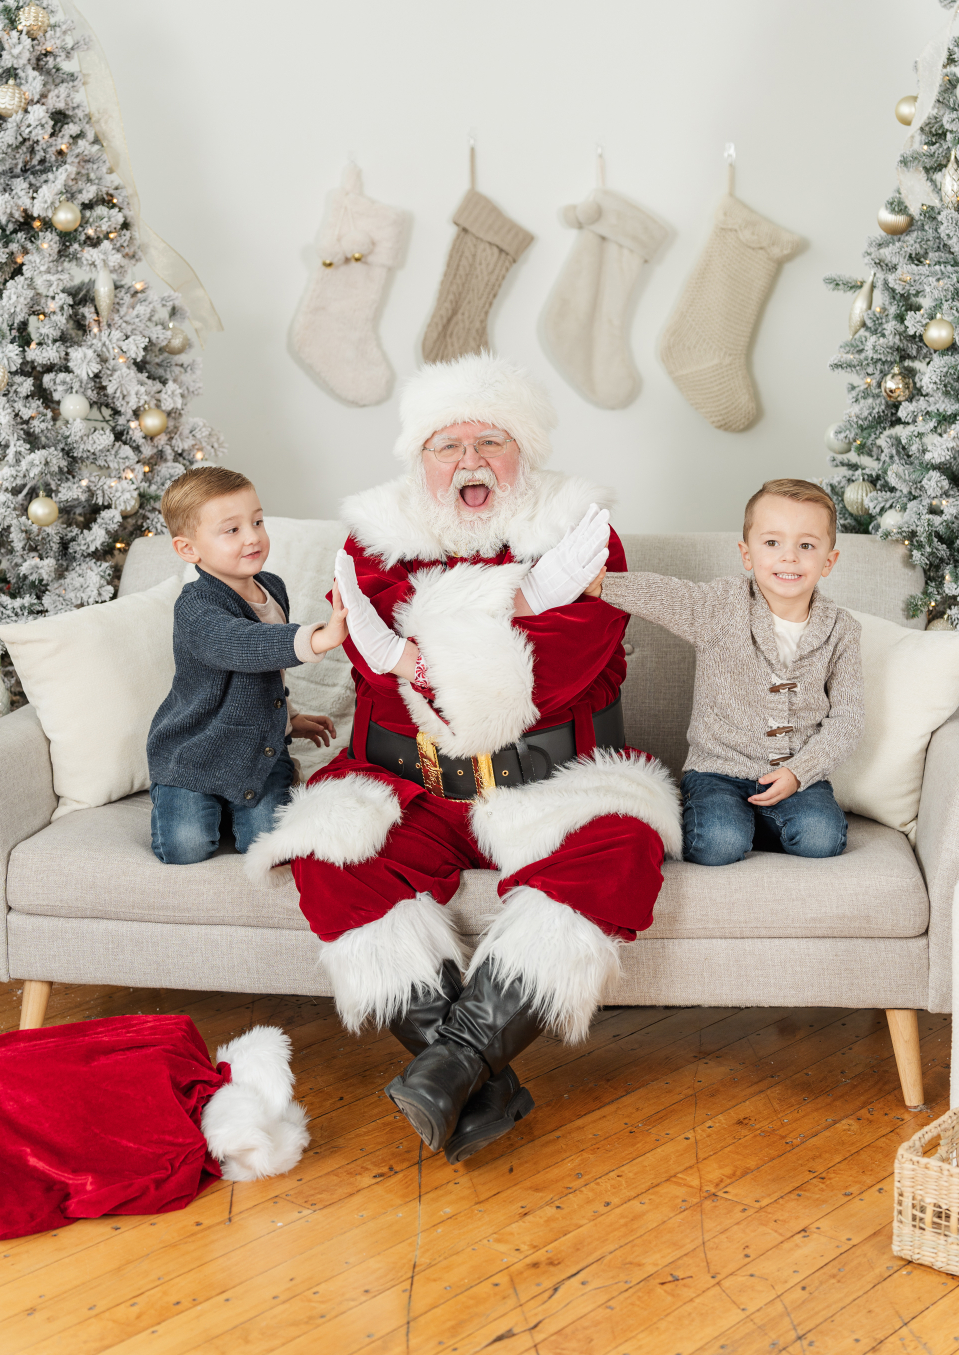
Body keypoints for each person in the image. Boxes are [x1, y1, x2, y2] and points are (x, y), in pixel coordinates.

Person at [245, 353, 682, 1164]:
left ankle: (451, 1066)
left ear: (525, 452)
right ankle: (473, 1077)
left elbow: (541, 678)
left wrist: (424, 633)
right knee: (331, 855)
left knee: (623, 846)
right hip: (401, 783)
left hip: (547, 784)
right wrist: (512, 600)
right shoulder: (374, 535)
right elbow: (380, 662)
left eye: (492, 440)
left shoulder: (584, 533)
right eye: (449, 445)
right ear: (421, 458)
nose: (471, 461)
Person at [600, 477, 864, 866]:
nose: (789, 557)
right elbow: (666, 595)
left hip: (795, 775)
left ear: (828, 561)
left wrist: (799, 772)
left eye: (806, 545)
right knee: (719, 842)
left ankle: (758, 822)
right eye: (772, 543)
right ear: (747, 554)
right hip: (717, 772)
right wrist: (603, 585)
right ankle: (732, 822)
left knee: (821, 837)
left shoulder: (841, 630)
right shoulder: (721, 607)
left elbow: (848, 718)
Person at [146, 466, 348, 866]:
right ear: (189, 550)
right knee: (185, 848)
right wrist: (318, 637)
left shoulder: (272, 586)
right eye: (232, 530)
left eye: (257, 521)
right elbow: (242, 646)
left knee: (267, 846)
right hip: (196, 753)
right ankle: (188, 796)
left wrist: (287, 720)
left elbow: (266, 674)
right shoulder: (195, 607)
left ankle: (238, 803)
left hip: (260, 748)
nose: (253, 536)